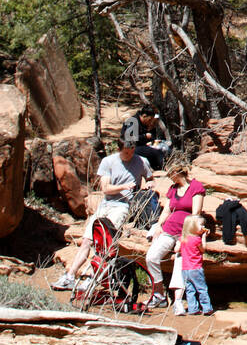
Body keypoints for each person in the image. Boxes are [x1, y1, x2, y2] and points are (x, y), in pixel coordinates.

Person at [52, 139, 153, 291]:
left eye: (132, 150)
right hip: (105, 205)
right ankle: (70, 276)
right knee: (87, 240)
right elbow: (105, 188)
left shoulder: (141, 161)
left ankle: (93, 278)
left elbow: (150, 178)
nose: (130, 154)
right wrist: (124, 186)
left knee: (105, 243)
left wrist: (149, 184)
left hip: (123, 206)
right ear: (120, 149)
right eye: (127, 151)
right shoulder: (108, 161)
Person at [144, 158, 206, 312]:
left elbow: (196, 214)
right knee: (151, 257)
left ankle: (178, 300)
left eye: (171, 174)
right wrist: (158, 225)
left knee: (181, 261)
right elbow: (167, 209)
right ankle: (159, 294)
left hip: (186, 231)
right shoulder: (173, 188)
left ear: (177, 173)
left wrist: (184, 238)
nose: (170, 177)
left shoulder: (195, 187)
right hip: (169, 229)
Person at [179, 214, 213, 316]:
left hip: (185, 269)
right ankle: (207, 308)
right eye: (201, 225)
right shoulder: (196, 239)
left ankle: (192, 308)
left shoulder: (183, 238)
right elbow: (203, 250)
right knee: (201, 289)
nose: (203, 227)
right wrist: (203, 238)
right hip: (195, 269)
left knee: (190, 290)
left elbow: (178, 249)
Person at [120, 104, 170, 171]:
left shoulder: (143, 124)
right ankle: (166, 168)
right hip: (130, 149)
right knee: (157, 152)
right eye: (149, 120)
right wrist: (144, 136)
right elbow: (129, 138)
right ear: (144, 116)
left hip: (139, 146)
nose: (150, 122)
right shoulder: (133, 121)